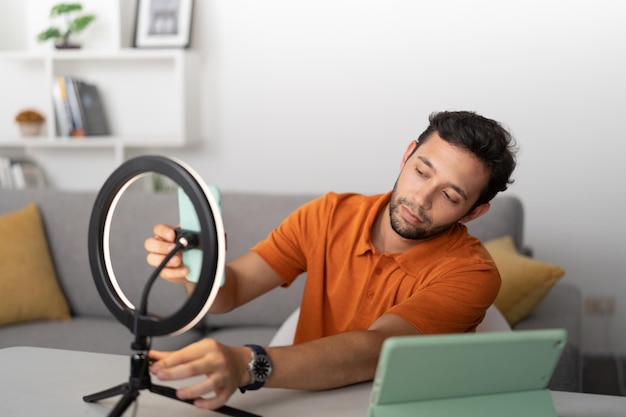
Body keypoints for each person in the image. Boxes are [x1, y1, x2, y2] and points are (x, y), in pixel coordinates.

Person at [144, 110, 518, 410]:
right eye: (421, 171)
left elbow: (378, 349)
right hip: (308, 402)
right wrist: (200, 263)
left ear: (473, 213)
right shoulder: (328, 215)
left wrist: (247, 365)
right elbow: (230, 293)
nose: (421, 199)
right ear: (406, 156)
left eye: (450, 196)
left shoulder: (472, 273)